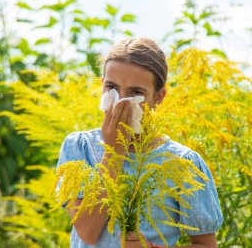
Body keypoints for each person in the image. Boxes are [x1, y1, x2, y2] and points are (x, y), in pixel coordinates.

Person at [56, 38, 223, 248]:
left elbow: (206, 244)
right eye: (112, 87)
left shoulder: (183, 163)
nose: (121, 101)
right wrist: (114, 152)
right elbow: (87, 232)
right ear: (102, 85)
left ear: (159, 97)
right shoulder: (80, 147)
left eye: (136, 93)